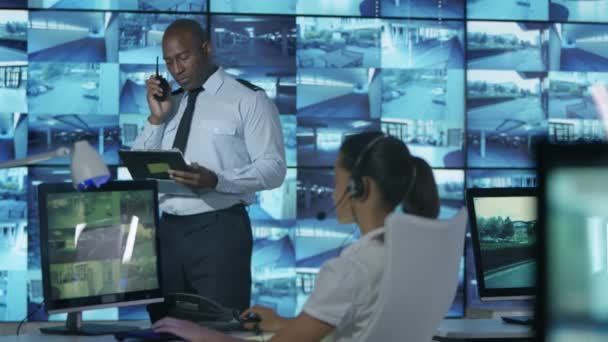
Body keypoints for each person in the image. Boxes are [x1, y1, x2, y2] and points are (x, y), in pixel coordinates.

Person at [152, 131, 440, 342]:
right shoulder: (413, 255)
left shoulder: (349, 270)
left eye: (336, 183)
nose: (332, 193)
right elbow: (359, 323)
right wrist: (284, 323)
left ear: (357, 188)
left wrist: (200, 334)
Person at [132, 18, 286, 311]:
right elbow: (141, 165)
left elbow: (274, 168)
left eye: (183, 58)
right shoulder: (169, 103)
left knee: (219, 329)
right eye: (168, 62)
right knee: (165, 328)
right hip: (167, 233)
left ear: (207, 48)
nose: (176, 70)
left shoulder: (248, 99)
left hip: (219, 232)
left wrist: (217, 180)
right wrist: (156, 119)